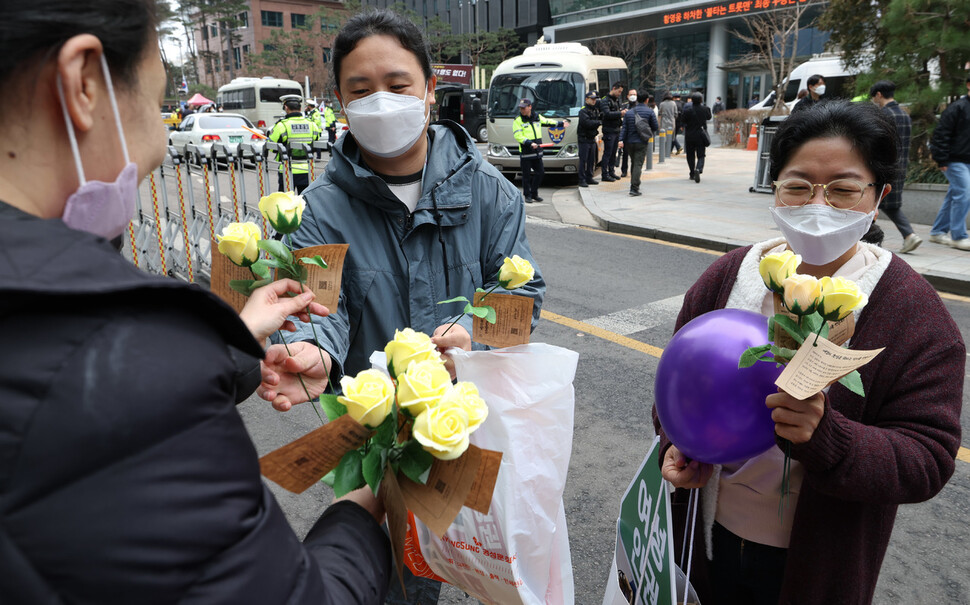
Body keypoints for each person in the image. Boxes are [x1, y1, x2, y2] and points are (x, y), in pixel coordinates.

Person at [0, 1, 393, 603]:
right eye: (158, 97)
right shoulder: (115, 358)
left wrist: (236, 336)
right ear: (84, 83)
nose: (160, 138)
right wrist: (364, 507)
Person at [254, 11, 546, 601]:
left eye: (397, 84)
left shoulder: (490, 192)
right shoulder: (318, 210)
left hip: (461, 420)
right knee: (387, 576)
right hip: (376, 435)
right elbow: (319, 307)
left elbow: (521, 297)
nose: (380, 101)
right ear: (340, 100)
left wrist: (474, 334)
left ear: (430, 89)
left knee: (478, 562)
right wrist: (314, 349)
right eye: (361, 90)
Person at [654, 101, 964, 605]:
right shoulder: (730, 278)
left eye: (843, 190)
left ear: (879, 196)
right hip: (705, 543)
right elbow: (676, 386)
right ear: (774, 189)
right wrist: (678, 444)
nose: (818, 206)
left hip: (817, 566)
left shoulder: (911, 313)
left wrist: (828, 438)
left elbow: (926, 458)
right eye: (798, 187)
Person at [870, 80, 922, 253]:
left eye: (873, 97)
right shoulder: (904, 115)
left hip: (882, 167)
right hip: (900, 167)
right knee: (886, 204)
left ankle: (867, 239)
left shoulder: (883, 115)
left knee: (873, 202)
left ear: (879, 95)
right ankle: (909, 236)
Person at [928, 74, 970, 251]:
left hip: (967, 160)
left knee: (955, 194)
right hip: (954, 160)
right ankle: (959, 236)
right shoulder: (957, 107)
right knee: (965, 192)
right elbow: (941, 134)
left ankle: (937, 232)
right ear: (968, 85)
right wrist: (941, 158)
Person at [513, 97, 568, 203]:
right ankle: (527, 195)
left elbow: (547, 121)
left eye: (524, 108)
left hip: (537, 152)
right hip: (526, 153)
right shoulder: (518, 121)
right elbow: (518, 136)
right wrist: (529, 143)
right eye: (521, 108)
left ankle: (534, 193)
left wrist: (561, 124)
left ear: (530, 107)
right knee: (526, 176)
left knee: (540, 173)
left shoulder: (536, 117)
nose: (522, 110)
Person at [268, 95, 322, 194]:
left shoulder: (282, 125)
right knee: (305, 201)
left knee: (285, 202)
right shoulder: (311, 124)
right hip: (307, 168)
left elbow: (271, 147)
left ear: (286, 108)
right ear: (300, 108)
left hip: (287, 169)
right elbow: (316, 140)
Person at [618, 92, 659, 197]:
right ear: (647, 100)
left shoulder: (629, 112)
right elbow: (655, 127)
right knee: (638, 164)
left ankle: (633, 183)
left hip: (629, 142)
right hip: (642, 142)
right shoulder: (649, 112)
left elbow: (624, 128)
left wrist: (621, 140)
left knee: (634, 162)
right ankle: (634, 188)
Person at [598, 82, 627, 180]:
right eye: (619, 91)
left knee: (614, 153)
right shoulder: (605, 101)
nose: (619, 94)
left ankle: (611, 171)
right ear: (614, 88)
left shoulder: (617, 100)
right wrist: (620, 113)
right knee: (608, 153)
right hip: (609, 130)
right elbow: (607, 114)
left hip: (616, 129)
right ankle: (604, 175)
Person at [683, 92, 712, 183]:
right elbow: (709, 117)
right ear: (701, 100)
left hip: (690, 135)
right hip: (700, 134)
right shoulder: (705, 109)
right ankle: (698, 169)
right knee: (701, 154)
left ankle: (692, 173)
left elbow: (683, 120)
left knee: (690, 155)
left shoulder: (688, 110)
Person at [578, 90, 602, 187]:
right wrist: (598, 122)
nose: (594, 101)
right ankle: (582, 179)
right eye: (592, 99)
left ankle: (589, 177)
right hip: (584, 139)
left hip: (592, 138)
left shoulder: (595, 110)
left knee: (591, 160)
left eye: (595, 99)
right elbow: (587, 123)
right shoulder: (583, 111)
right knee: (583, 160)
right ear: (586, 99)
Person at [619, 88, 638, 178]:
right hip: (626, 134)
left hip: (636, 133)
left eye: (634, 94)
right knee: (625, 154)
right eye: (631, 95)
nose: (633, 96)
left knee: (635, 155)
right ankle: (624, 171)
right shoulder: (624, 106)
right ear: (627, 96)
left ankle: (634, 171)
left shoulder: (639, 106)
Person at [659, 92, 678, 156]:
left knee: (664, 137)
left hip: (664, 121)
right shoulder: (673, 103)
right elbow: (676, 113)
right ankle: (669, 151)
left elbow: (659, 112)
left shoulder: (662, 104)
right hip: (672, 121)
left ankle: (664, 151)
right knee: (671, 137)